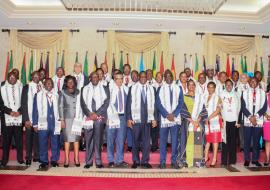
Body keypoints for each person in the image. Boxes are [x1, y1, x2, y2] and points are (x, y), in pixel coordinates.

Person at [127, 71, 157, 169]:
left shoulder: (152, 89)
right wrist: (128, 118)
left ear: (147, 78)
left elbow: (155, 106)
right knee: (135, 141)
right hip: (136, 120)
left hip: (147, 120)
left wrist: (154, 118)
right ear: (139, 77)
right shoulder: (132, 88)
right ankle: (135, 161)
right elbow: (128, 104)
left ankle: (144, 161)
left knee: (146, 142)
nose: (143, 78)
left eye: (145, 76)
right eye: (142, 76)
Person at [81, 72, 109, 169]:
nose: (95, 78)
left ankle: (98, 161)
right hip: (88, 118)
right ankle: (88, 162)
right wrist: (90, 114)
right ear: (90, 78)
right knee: (88, 141)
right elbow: (83, 104)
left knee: (98, 140)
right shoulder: (84, 89)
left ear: (99, 78)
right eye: (93, 77)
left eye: (96, 76)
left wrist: (96, 114)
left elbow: (106, 103)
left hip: (99, 118)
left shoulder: (105, 88)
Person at [156, 69, 183, 169]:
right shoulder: (160, 88)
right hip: (164, 119)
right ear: (164, 78)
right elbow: (158, 104)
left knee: (175, 141)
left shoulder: (178, 88)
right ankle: (162, 162)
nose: (168, 78)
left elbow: (181, 102)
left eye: (170, 76)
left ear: (172, 77)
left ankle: (173, 161)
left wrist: (174, 114)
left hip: (175, 119)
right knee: (163, 141)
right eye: (166, 76)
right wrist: (166, 115)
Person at [32, 78, 61, 169]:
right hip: (42, 123)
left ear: (53, 85)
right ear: (44, 85)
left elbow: (61, 109)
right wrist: (35, 124)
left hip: (54, 122)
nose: (49, 84)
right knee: (42, 142)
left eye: (50, 83)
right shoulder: (38, 95)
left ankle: (54, 160)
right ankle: (44, 160)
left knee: (55, 142)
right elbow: (35, 110)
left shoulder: (57, 95)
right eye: (47, 83)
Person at [180, 80, 208, 168]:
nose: (191, 86)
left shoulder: (199, 97)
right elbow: (182, 110)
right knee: (187, 141)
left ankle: (198, 161)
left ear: (195, 86)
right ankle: (186, 160)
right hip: (187, 123)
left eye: (193, 85)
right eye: (190, 85)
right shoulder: (183, 97)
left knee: (198, 141)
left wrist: (197, 121)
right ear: (187, 86)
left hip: (198, 123)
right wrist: (192, 122)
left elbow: (203, 110)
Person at [241, 77, 267, 167]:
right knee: (247, 141)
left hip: (258, 120)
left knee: (256, 141)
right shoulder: (244, 93)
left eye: (255, 81)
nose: (253, 83)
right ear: (249, 82)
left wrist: (255, 117)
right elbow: (243, 107)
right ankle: (247, 159)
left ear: (258, 82)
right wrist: (250, 117)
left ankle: (255, 160)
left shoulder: (263, 93)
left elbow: (264, 108)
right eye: (251, 81)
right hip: (248, 120)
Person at [0, 72, 24, 166]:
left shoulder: (21, 87)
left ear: (16, 78)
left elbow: (24, 102)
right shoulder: (2, 89)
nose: (12, 79)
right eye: (10, 77)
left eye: (14, 77)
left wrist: (19, 111)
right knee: (6, 140)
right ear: (8, 78)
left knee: (19, 140)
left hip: (18, 116)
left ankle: (20, 159)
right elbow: (1, 104)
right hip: (7, 117)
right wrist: (9, 112)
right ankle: (4, 160)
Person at [59, 75, 82, 168]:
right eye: (68, 82)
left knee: (76, 140)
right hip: (67, 119)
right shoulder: (63, 92)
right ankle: (67, 160)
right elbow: (60, 106)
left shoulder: (79, 92)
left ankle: (76, 159)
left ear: (75, 83)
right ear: (66, 83)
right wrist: (62, 120)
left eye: (72, 81)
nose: (70, 83)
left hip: (77, 118)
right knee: (67, 140)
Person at [107, 72, 129, 168]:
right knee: (110, 139)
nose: (119, 80)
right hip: (111, 117)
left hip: (123, 117)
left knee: (121, 140)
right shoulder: (109, 90)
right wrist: (107, 117)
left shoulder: (126, 89)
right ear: (114, 79)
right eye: (117, 79)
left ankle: (119, 160)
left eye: (121, 78)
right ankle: (111, 160)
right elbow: (106, 105)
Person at [21, 71, 41, 166]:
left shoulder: (42, 86)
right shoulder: (26, 87)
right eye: (34, 76)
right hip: (29, 117)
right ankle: (28, 157)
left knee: (37, 138)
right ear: (31, 77)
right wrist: (25, 119)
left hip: (39, 118)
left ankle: (36, 156)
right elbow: (23, 104)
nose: (36, 77)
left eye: (38, 76)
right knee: (28, 139)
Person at [220, 79, 240, 166]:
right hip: (225, 120)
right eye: (227, 84)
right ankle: (224, 161)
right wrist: (220, 117)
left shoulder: (236, 94)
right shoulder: (221, 94)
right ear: (224, 85)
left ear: (233, 86)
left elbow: (239, 108)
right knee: (224, 141)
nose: (228, 86)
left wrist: (238, 120)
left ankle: (232, 160)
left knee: (232, 141)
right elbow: (218, 107)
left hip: (234, 121)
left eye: (230, 85)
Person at [204, 82, 222, 167]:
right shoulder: (205, 97)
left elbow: (218, 110)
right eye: (209, 87)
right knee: (208, 140)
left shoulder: (218, 97)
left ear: (214, 88)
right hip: (207, 122)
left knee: (215, 141)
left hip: (214, 121)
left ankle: (214, 159)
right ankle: (206, 157)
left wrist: (208, 118)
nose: (210, 89)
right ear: (207, 88)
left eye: (212, 87)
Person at [263, 90, 270, 166]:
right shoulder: (266, 96)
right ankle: (267, 158)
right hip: (267, 121)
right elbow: (262, 108)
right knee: (268, 141)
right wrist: (266, 115)